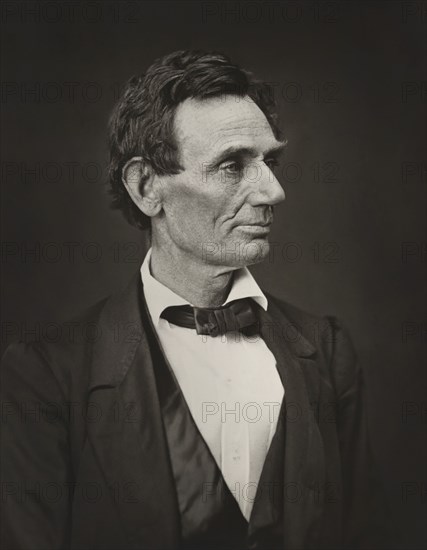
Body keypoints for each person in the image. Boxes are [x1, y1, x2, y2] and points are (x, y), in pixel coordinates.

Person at [1, 50, 393, 550]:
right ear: (146, 188)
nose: (273, 192)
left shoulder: (326, 349)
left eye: (270, 161)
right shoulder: (47, 374)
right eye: (233, 165)